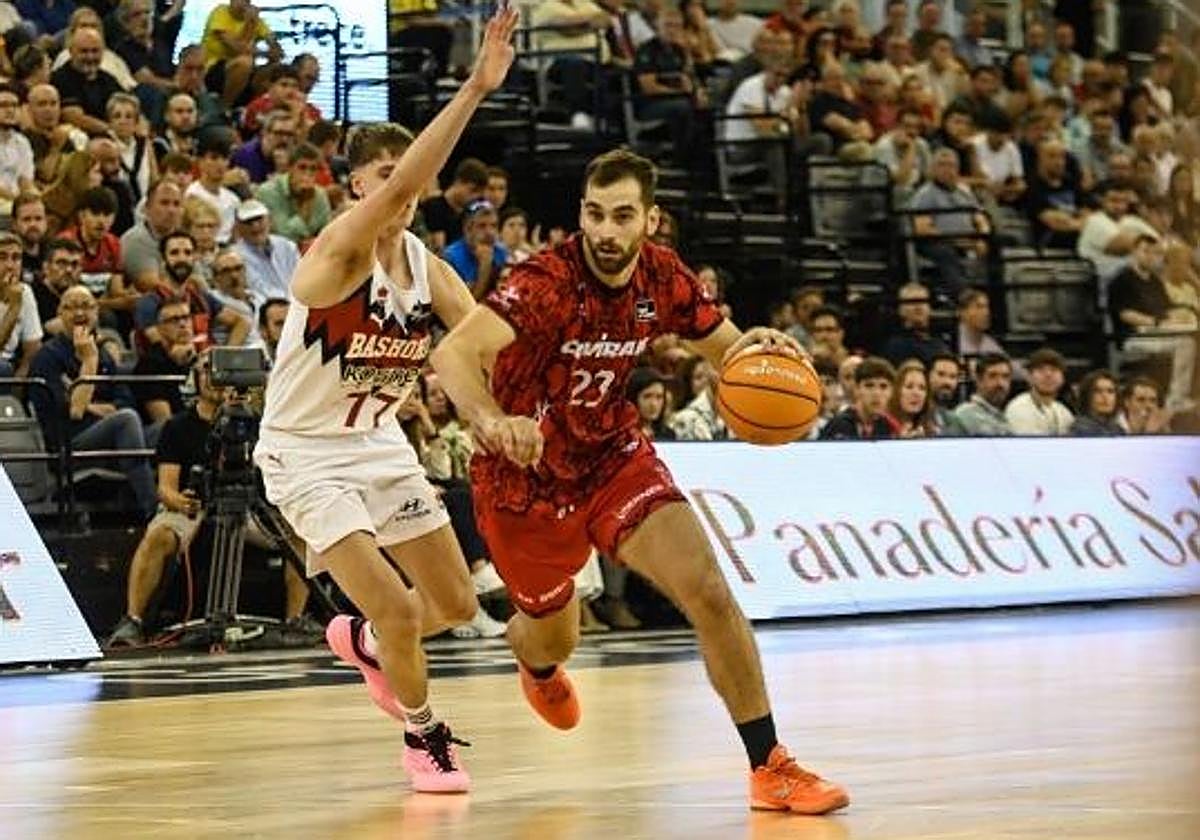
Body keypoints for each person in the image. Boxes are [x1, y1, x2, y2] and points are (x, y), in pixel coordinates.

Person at [431, 148, 849, 815]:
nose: (605, 230)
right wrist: (489, 417)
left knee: (708, 588)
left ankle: (770, 765)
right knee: (551, 634)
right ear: (580, 215)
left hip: (612, 456)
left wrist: (762, 355)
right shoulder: (545, 281)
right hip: (522, 478)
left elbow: (728, 352)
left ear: (649, 220)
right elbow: (453, 352)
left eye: (622, 215)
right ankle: (535, 665)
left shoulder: (664, 276)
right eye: (594, 214)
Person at [251, 8, 520, 794]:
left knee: (454, 601)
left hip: (379, 448)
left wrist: (507, 411)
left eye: (407, 180)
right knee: (405, 613)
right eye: (386, 180)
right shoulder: (339, 249)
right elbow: (409, 179)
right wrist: (475, 86)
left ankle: (364, 644)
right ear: (356, 186)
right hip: (305, 455)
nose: (403, 192)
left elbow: (482, 347)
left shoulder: (427, 269)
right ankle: (424, 736)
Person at [818, 355, 897, 440]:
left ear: (892, 391)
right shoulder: (839, 426)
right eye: (869, 385)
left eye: (883, 386)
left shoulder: (888, 427)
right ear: (856, 388)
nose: (876, 393)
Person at [1004, 347, 1074, 435]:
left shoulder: (1064, 412)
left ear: (1062, 378)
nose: (1048, 375)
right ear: (1029, 377)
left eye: (1054, 370)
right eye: (1041, 370)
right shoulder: (1019, 407)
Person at [1070, 369, 1124, 436]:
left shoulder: (1118, 430)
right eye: (1098, 391)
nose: (1105, 396)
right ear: (1087, 396)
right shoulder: (1079, 430)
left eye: (1110, 391)